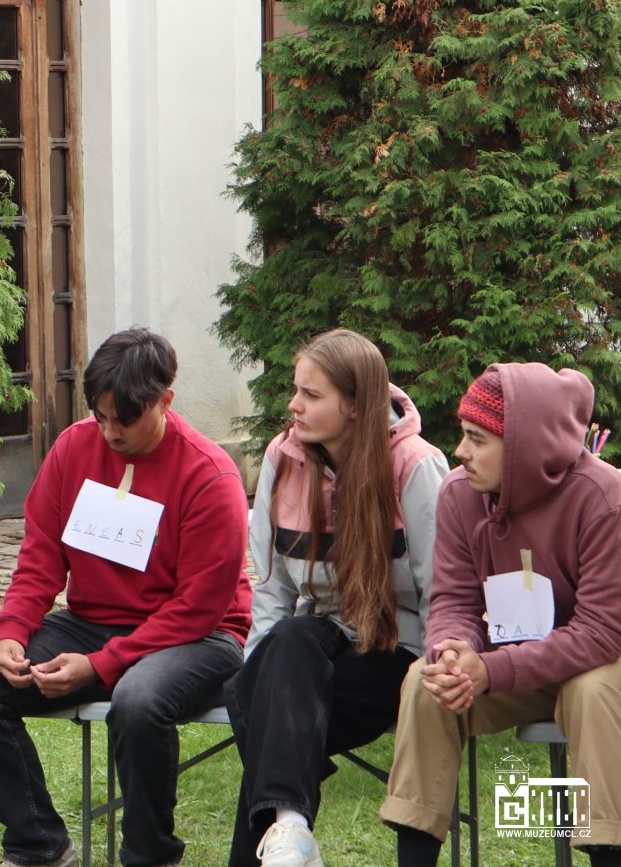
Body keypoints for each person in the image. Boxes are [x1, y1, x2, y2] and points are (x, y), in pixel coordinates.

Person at [0, 327, 251, 867]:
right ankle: (39, 845)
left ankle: (150, 857)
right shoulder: (74, 447)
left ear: (165, 401)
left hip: (200, 637)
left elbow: (198, 607)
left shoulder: (209, 476)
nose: (110, 432)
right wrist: (11, 630)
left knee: (139, 700)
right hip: (91, 622)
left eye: (124, 419)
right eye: (100, 415)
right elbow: (41, 555)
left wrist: (102, 664)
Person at [380, 363, 621, 867]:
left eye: (477, 439)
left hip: (601, 664)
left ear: (523, 447)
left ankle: (607, 850)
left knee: (590, 691)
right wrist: (453, 650)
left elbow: (601, 633)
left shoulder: (605, 498)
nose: (460, 452)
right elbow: (453, 600)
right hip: (513, 664)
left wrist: (491, 670)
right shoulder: (458, 494)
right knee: (426, 683)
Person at [224, 330, 447, 867]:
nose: (293, 405)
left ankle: (286, 831)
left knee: (266, 714)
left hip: (400, 651)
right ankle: (292, 828)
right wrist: (259, 673)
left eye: (311, 394)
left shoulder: (415, 466)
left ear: (354, 405)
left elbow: (442, 592)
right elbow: (273, 589)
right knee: (282, 649)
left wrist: (438, 673)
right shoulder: (283, 458)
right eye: (295, 390)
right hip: (315, 642)